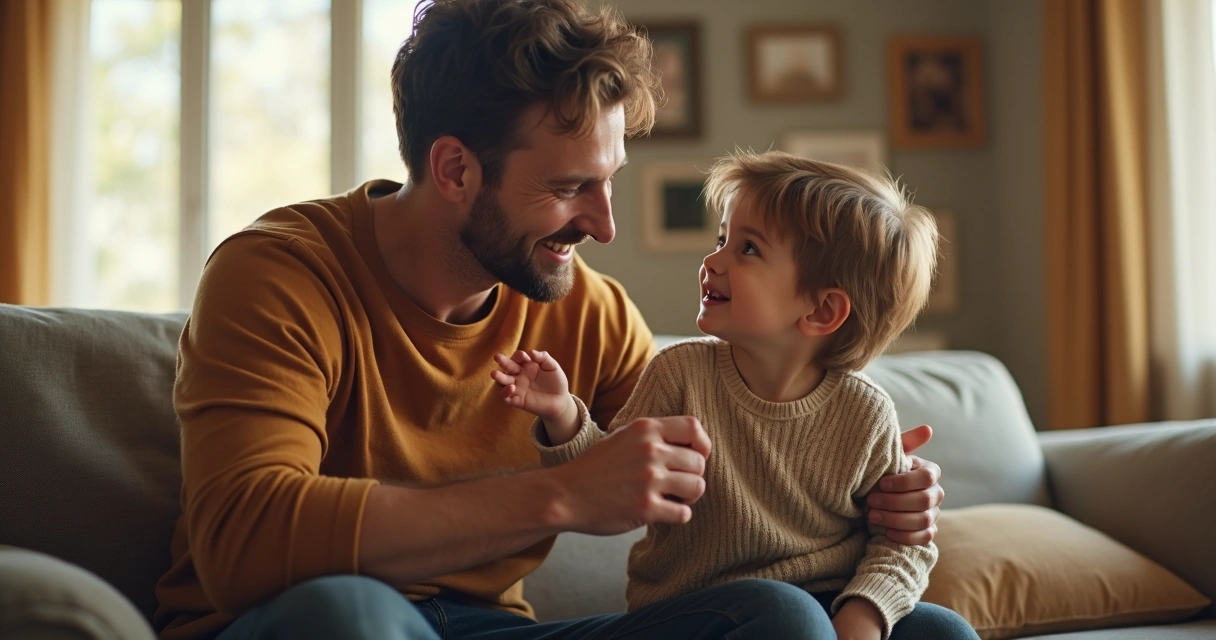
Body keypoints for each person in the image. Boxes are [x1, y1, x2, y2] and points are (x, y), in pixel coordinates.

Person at [152, 1, 952, 639]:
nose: (603, 227)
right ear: (457, 169)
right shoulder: (279, 275)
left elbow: (709, 453)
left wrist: (884, 499)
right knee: (350, 616)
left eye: (609, 183)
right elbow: (242, 540)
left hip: (495, 630)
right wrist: (558, 496)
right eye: (572, 187)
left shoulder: (588, 310)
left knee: (836, 624)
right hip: (305, 620)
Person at [492, 151, 976, 640]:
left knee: (945, 632)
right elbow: (611, 482)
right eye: (722, 238)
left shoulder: (866, 414)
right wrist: (562, 415)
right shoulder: (680, 375)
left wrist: (865, 614)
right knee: (788, 616)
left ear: (823, 310)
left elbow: (902, 545)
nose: (712, 260)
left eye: (748, 249)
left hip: (829, 601)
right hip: (704, 612)